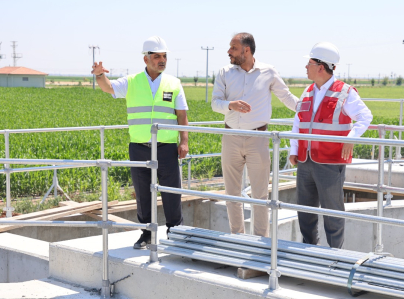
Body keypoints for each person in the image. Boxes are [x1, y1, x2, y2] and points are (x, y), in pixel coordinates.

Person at [92, 36, 189, 249]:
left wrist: (184, 141)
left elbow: (182, 115)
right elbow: (108, 87)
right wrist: (99, 75)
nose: (162, 60)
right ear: (146, 59)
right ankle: (146, 234)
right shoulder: (132, 81)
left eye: (164, 56)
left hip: (166, 147)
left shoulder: (174, 83)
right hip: (139, 147)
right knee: (143, 192)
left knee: (171, 191)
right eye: (157, 56)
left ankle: (175, 232)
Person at [212, 32, 298, 237]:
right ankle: (237, 237)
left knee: (260, 193)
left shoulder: (268, 72)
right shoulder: (225, 72)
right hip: (231, 137)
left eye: (233, 47)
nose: (228, 52)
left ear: (246, 50)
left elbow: (286, 97)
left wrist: (311, 110)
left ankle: (261, 241)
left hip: (258, 139)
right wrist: (230, 105)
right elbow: (215, 103)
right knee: (232, 193)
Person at [289, 42, 373, 248]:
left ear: (320, 67)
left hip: (329, 162)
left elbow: (365, 116)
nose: (305, 67)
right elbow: (298, 121)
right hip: (305, 160)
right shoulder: (308, 91)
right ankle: (309, 249)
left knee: (332, 211)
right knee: (305, 211)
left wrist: (350, 138)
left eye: (309, 63)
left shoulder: (344, 92)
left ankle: (336, 254)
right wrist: (293, 150)